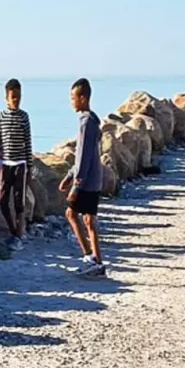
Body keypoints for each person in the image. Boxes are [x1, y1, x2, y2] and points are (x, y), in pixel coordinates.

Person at [59, 78, 106, 277]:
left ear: (83, 98)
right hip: (93, 178)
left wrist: (76, 184)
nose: (71, 101)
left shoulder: (87, 122)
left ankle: (90, 257)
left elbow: (84, 155)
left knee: (73, 215)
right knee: (88, 219)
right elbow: (82, 153)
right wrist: (69, 175)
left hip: (87, 180)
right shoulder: (92, 120)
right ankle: (96, 260)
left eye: (73, 98)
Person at [0, 79, 34, 249]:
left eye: (18, 97)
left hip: (20, 163)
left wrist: (30, 166)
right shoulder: (2, 116)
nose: (16, 100)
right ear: (6, 98)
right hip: (6, 163)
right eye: (13, 97)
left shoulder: (24, 116)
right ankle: (13, 230)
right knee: (2, 200)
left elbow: (28, 142)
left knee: (19, 201)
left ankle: (20, 233)